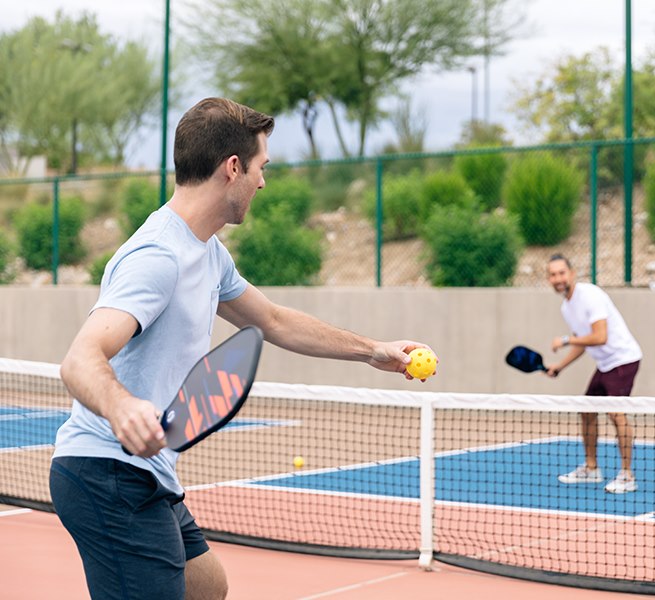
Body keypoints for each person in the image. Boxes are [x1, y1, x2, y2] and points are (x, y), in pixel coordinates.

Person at [49, 97, 436, 600]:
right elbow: (79, 358)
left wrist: (371, 350)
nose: (263, 181)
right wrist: (121, 407)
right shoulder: (157, 257)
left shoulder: (208, 254)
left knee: (207, 587)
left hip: (147, 472)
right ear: (233, 168)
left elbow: (274, 320)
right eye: (261, 167)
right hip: (106, 473)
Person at [544, 254, 641, 494]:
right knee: (587, 410)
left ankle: (627, 475)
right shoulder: (566, 307)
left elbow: (600, 336)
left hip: (623, 359)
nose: (557, 278)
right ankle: (591, 468)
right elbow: (585, 342)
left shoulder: (590, 296)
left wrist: (565, 339)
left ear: (572, 273)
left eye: (561, 273)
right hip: (605, 363)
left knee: (616, 413)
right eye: (553, 274)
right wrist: (560, 365)